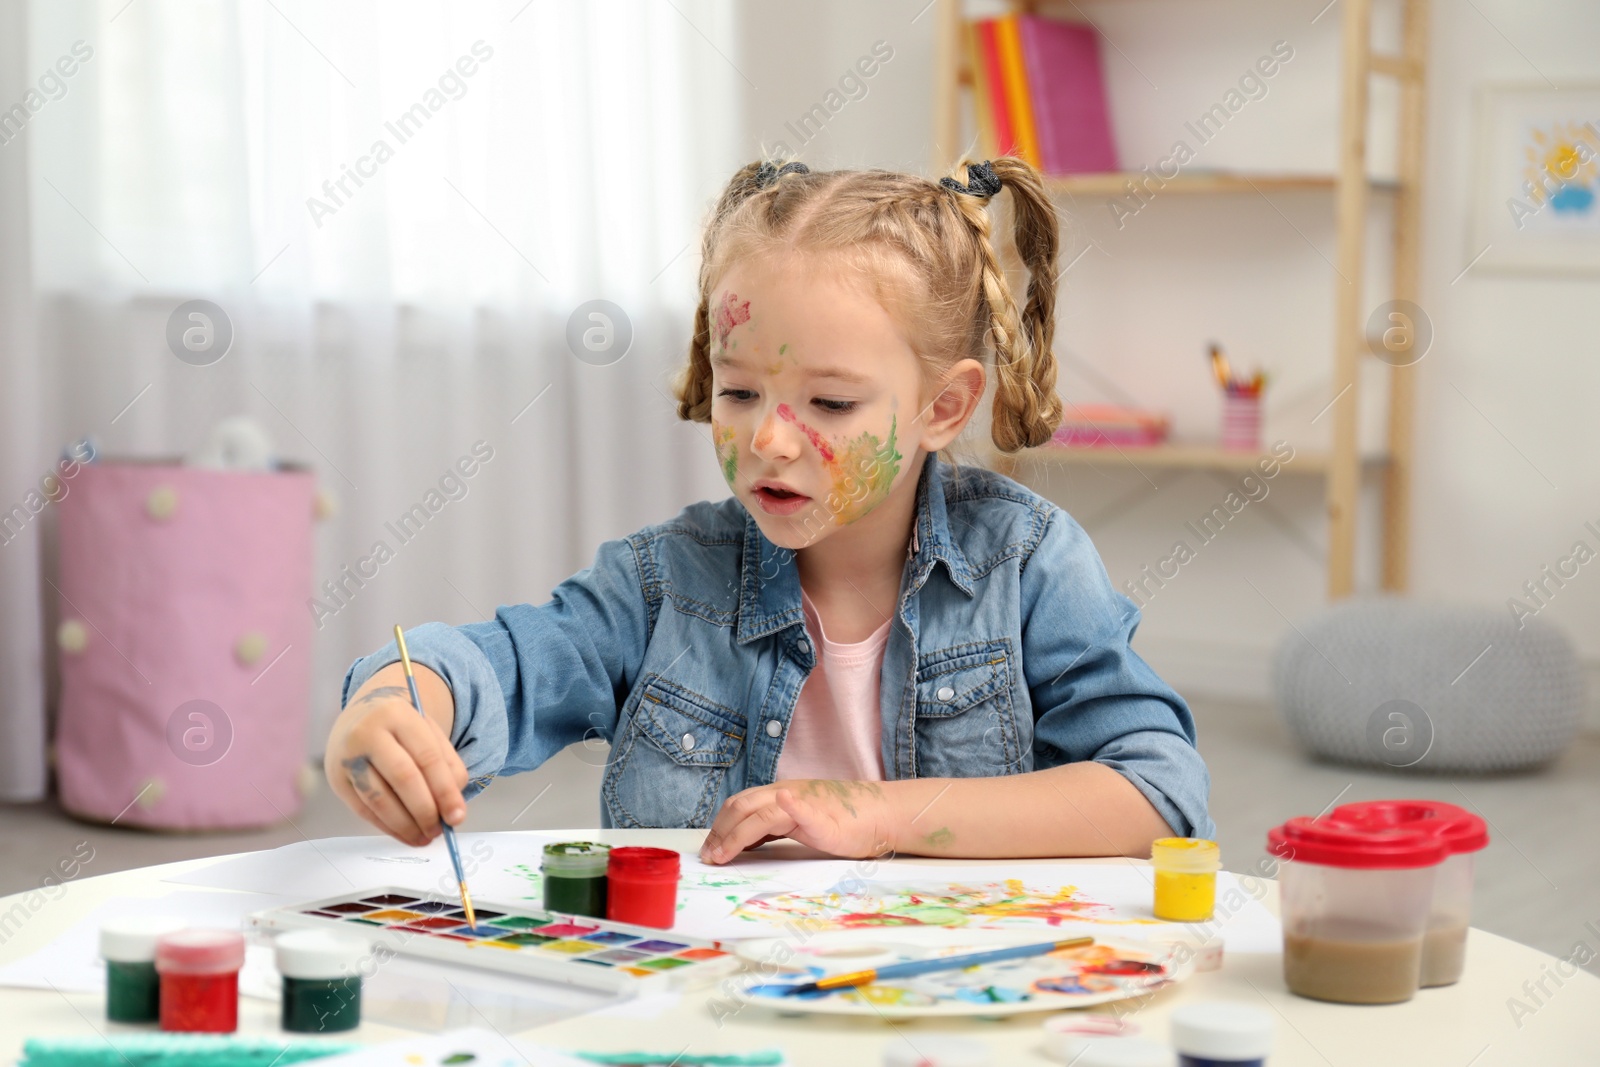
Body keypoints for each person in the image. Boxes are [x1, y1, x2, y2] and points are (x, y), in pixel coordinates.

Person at [325, 156, 1214, 866]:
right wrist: (392, 706)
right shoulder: (667, 580)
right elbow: (505, 665)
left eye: (830, 405)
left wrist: (875, 814)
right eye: (740, 389)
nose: (770, 440)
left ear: (944, 407)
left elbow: (1159, 792)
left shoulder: (1027, 561)